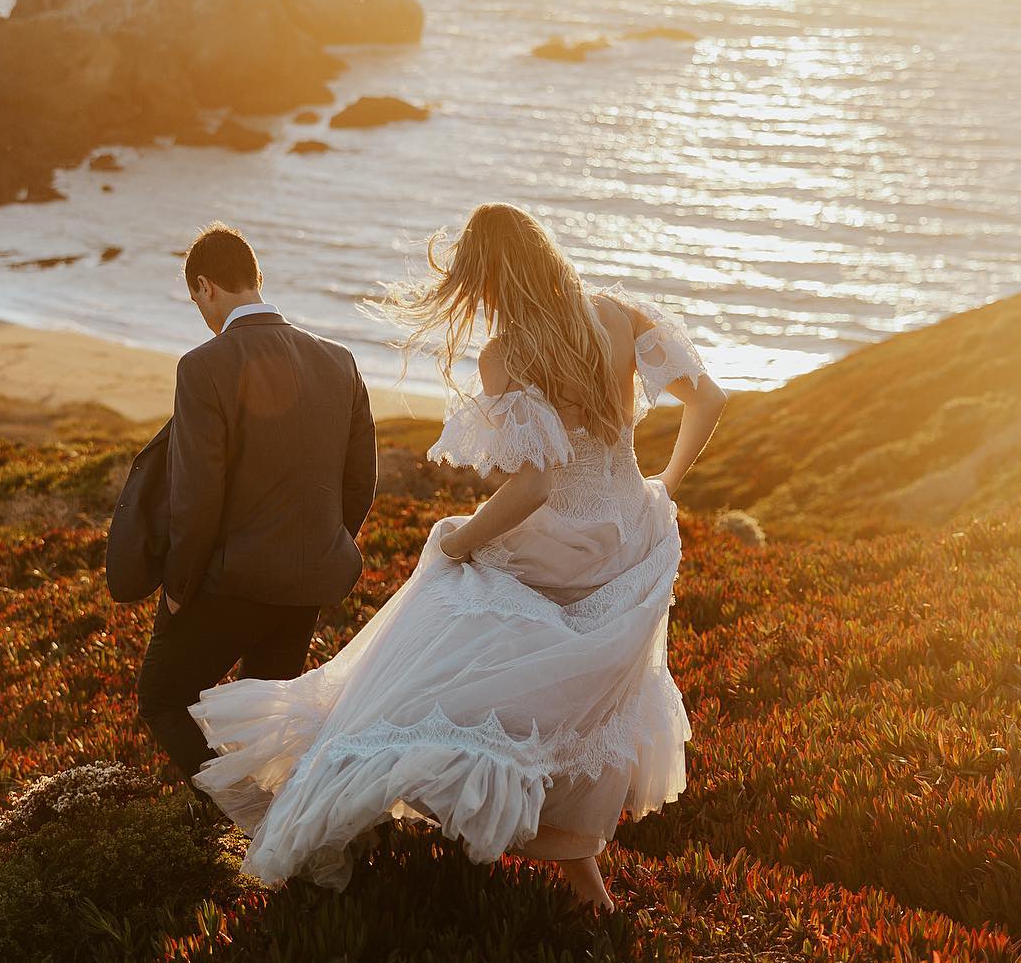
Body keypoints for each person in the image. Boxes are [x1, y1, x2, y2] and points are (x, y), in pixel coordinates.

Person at [188, 202, 727, 909]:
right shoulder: (619, 316)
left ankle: (366, 804)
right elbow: (710, 398)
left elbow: (532, 486)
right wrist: (664, 486)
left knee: (434, 624)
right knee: (576, 703)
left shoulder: (507, 354)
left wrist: (458, 541)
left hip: (557, 547)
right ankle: (584, 886)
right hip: (629, 541)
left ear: (487, 280)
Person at [136, 224, 378, 787]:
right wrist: (320, 542)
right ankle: (275, 828)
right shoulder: (338, 360)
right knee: (270, 725)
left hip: (232, 581)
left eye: (195, 298)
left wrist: (176, 588)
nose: (199, 310)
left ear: (205, 286)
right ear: (257, 280)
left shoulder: (202, 367)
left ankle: (241, 809)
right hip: (307, 583)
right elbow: (359, 482)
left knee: (161, 697)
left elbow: (197, 496)